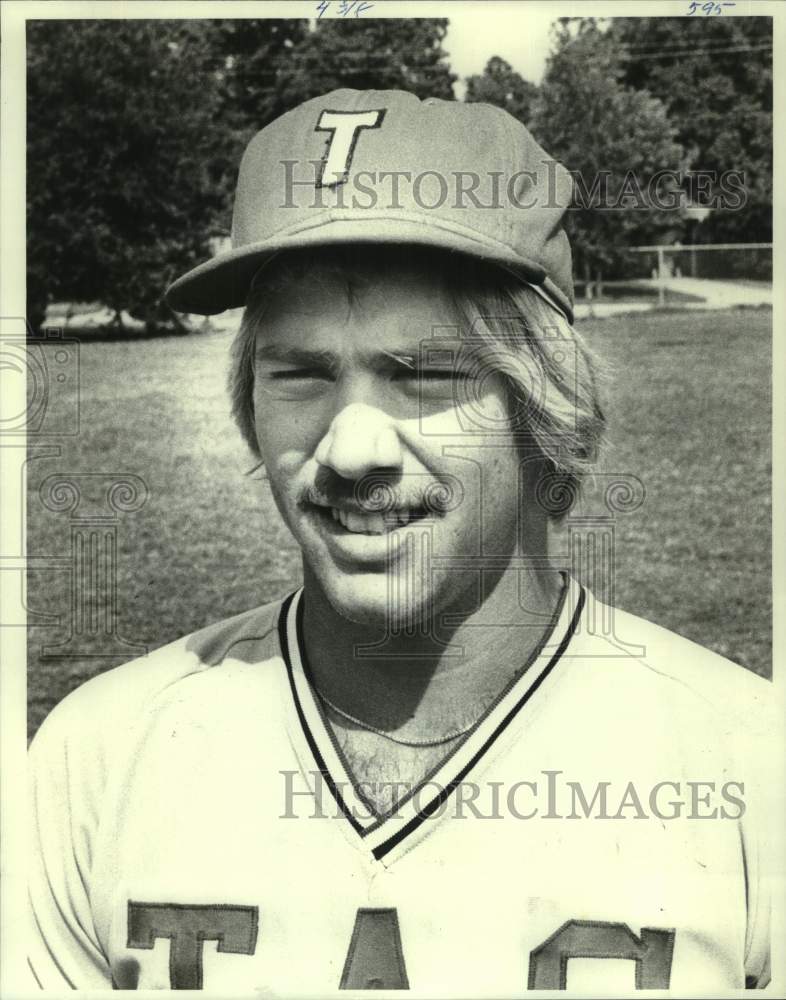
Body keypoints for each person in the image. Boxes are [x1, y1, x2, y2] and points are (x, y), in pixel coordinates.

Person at [28, 89, 771, 993]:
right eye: (299, 375)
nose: (351, 450)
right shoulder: (96, 759)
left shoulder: (745, 768)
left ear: (545, 403)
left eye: (423, 374)